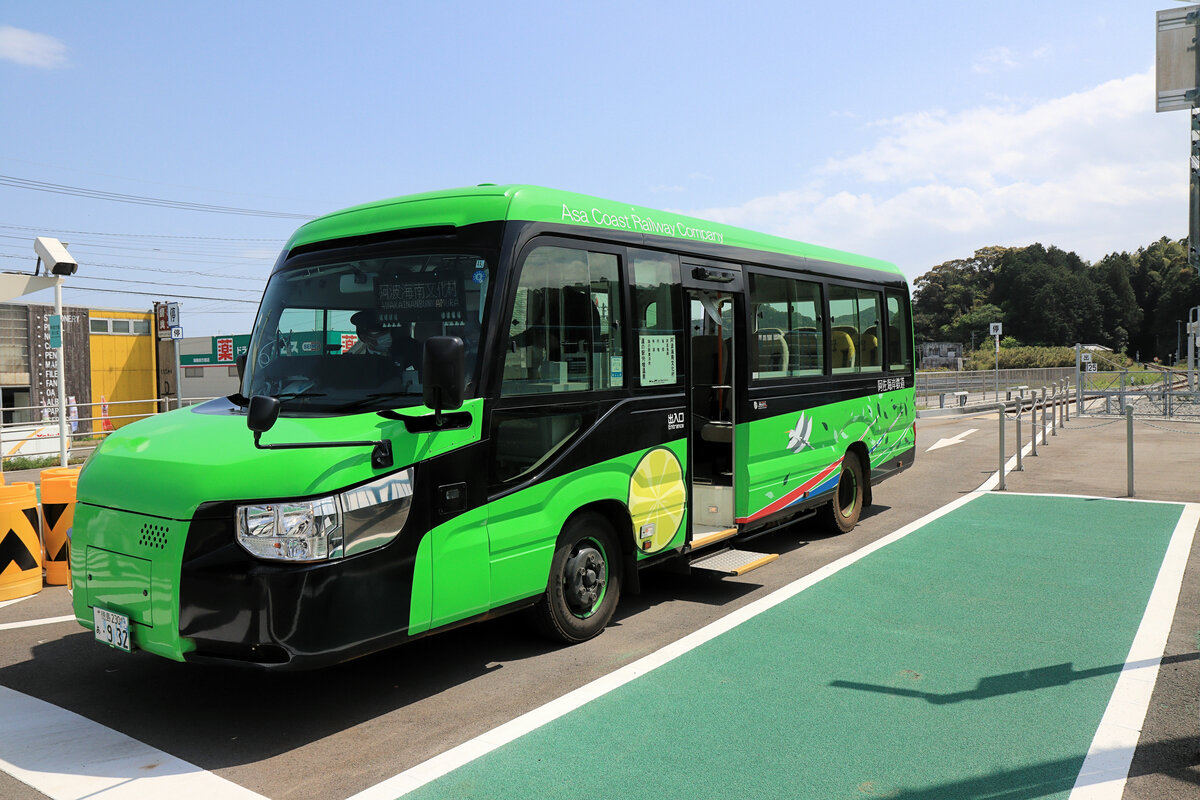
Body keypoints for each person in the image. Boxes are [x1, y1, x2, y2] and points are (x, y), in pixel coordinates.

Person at [349, 309, 422, 374]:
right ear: (365, 338)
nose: (387, 335)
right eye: (380, 333)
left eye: (388, 330)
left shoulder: (412, 350)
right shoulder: (361, 365)